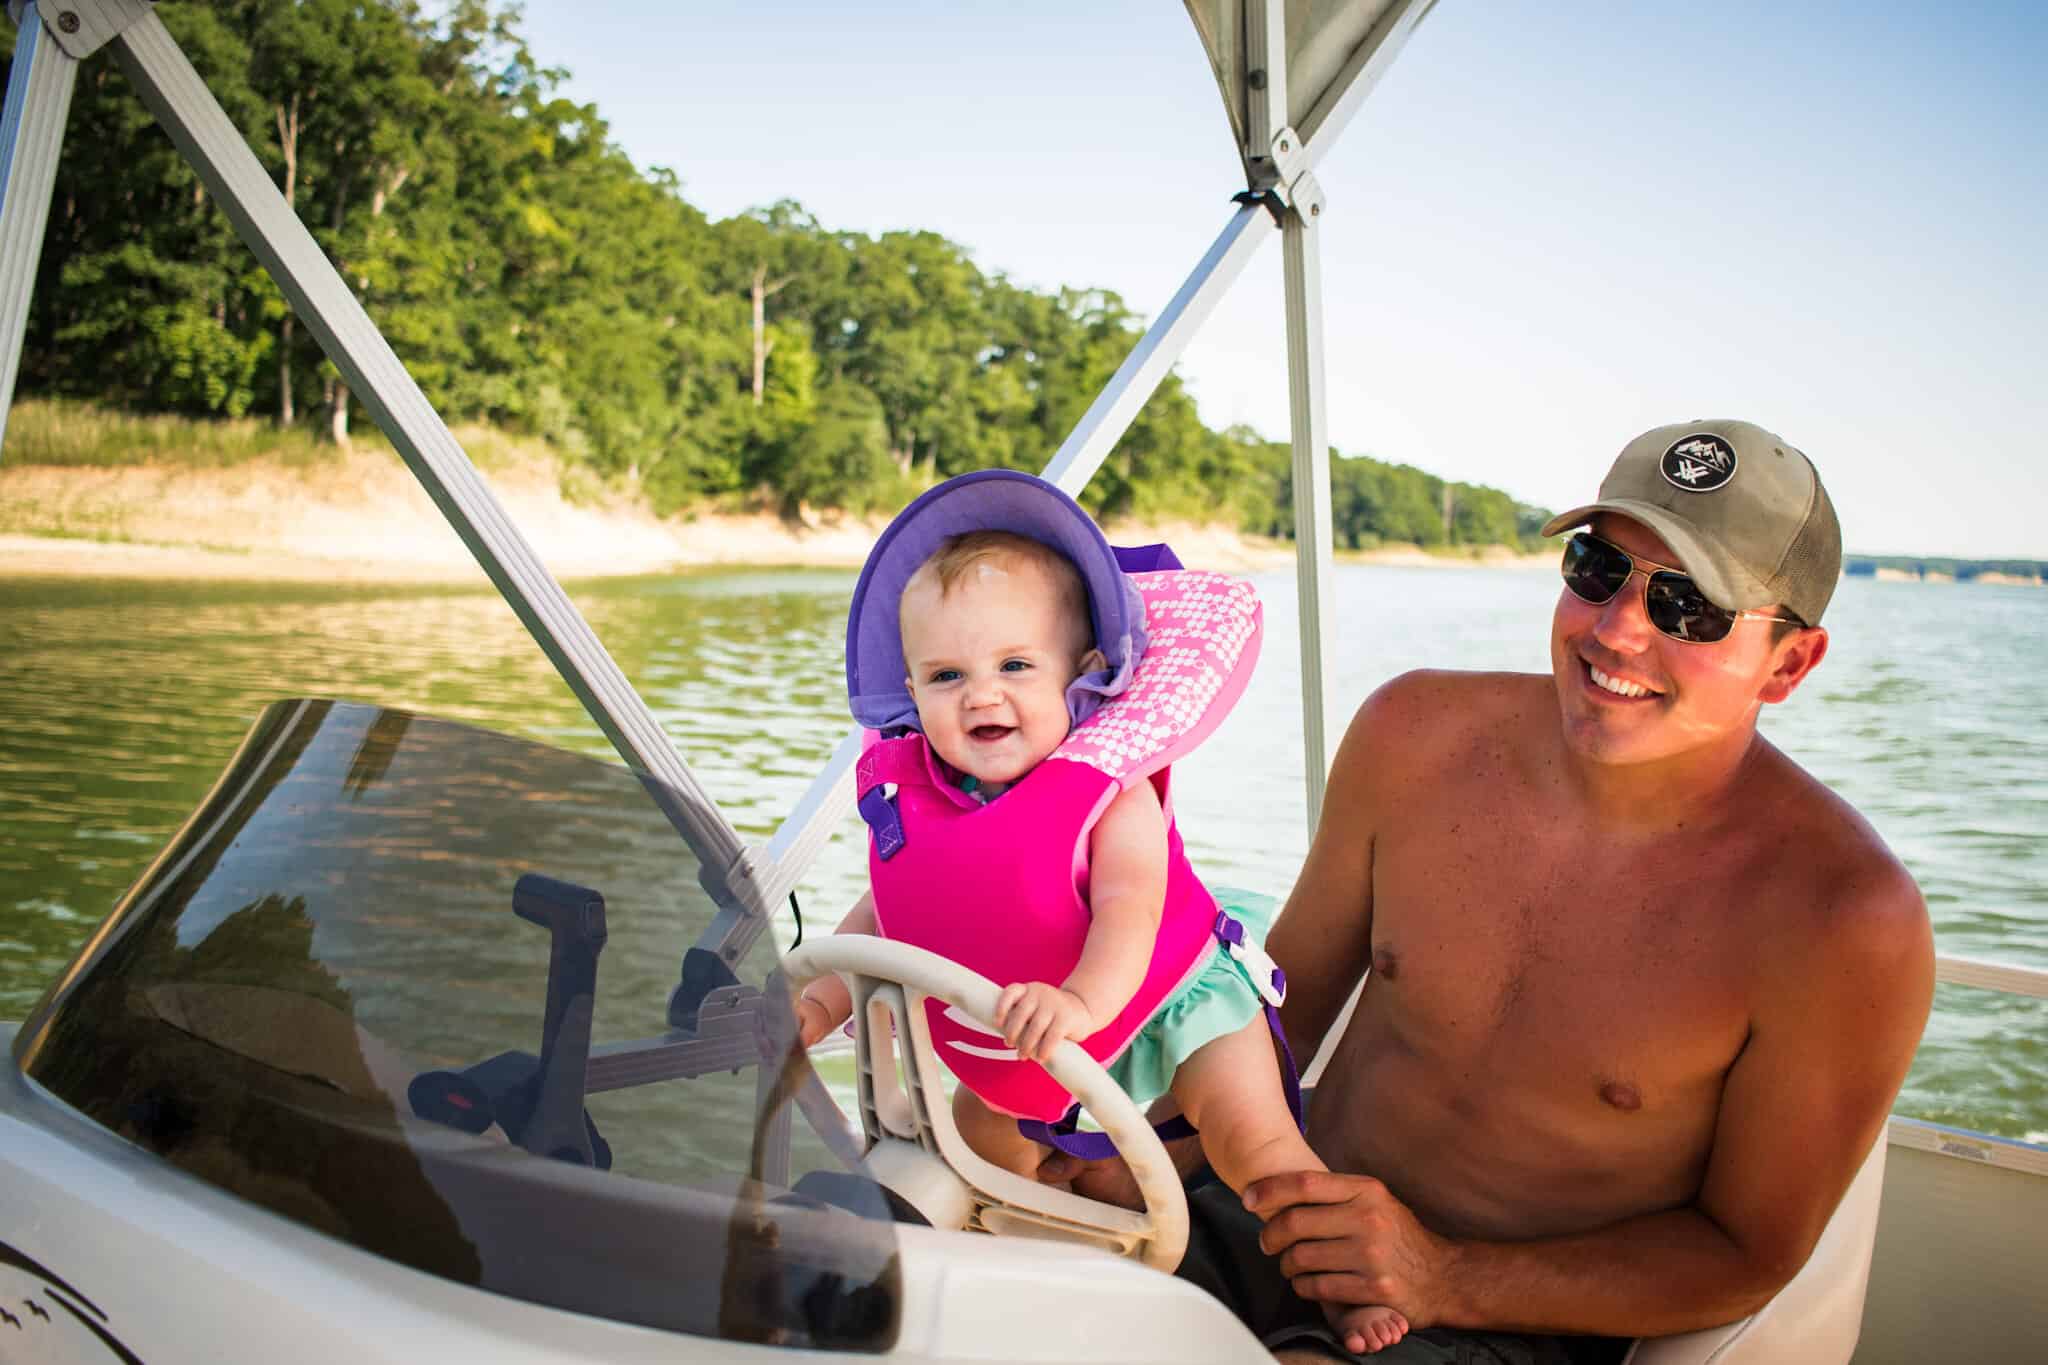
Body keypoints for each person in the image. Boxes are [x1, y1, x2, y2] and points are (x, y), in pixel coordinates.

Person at [1041, 420, 1934, 1364]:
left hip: (1508, 1320)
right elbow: (1279, 1016)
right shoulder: (1413, 731)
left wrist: (1441, 1274)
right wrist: (1152, 1148)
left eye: (1690, 608)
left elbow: (1746, 1253)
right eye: (1598, 568)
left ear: (1789, 663)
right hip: (1270, 1211)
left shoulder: (1842, 920)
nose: (1618, 629)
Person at [797, 470, 1410, 1354]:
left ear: (1082, 678)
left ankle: (1343, 1291)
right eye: (946, 674)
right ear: (911, 690)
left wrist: (1083, 1003)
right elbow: (884, 915)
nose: (981, 694)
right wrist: (815, 1003)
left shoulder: (1108, 794)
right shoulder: (919, 799)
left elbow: (1129, 911)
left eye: (1014, 666)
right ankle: (1060, 1237)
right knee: (977, 1134)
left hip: (1173, 998)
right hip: (1035, 1029)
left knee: (1258, 1149)